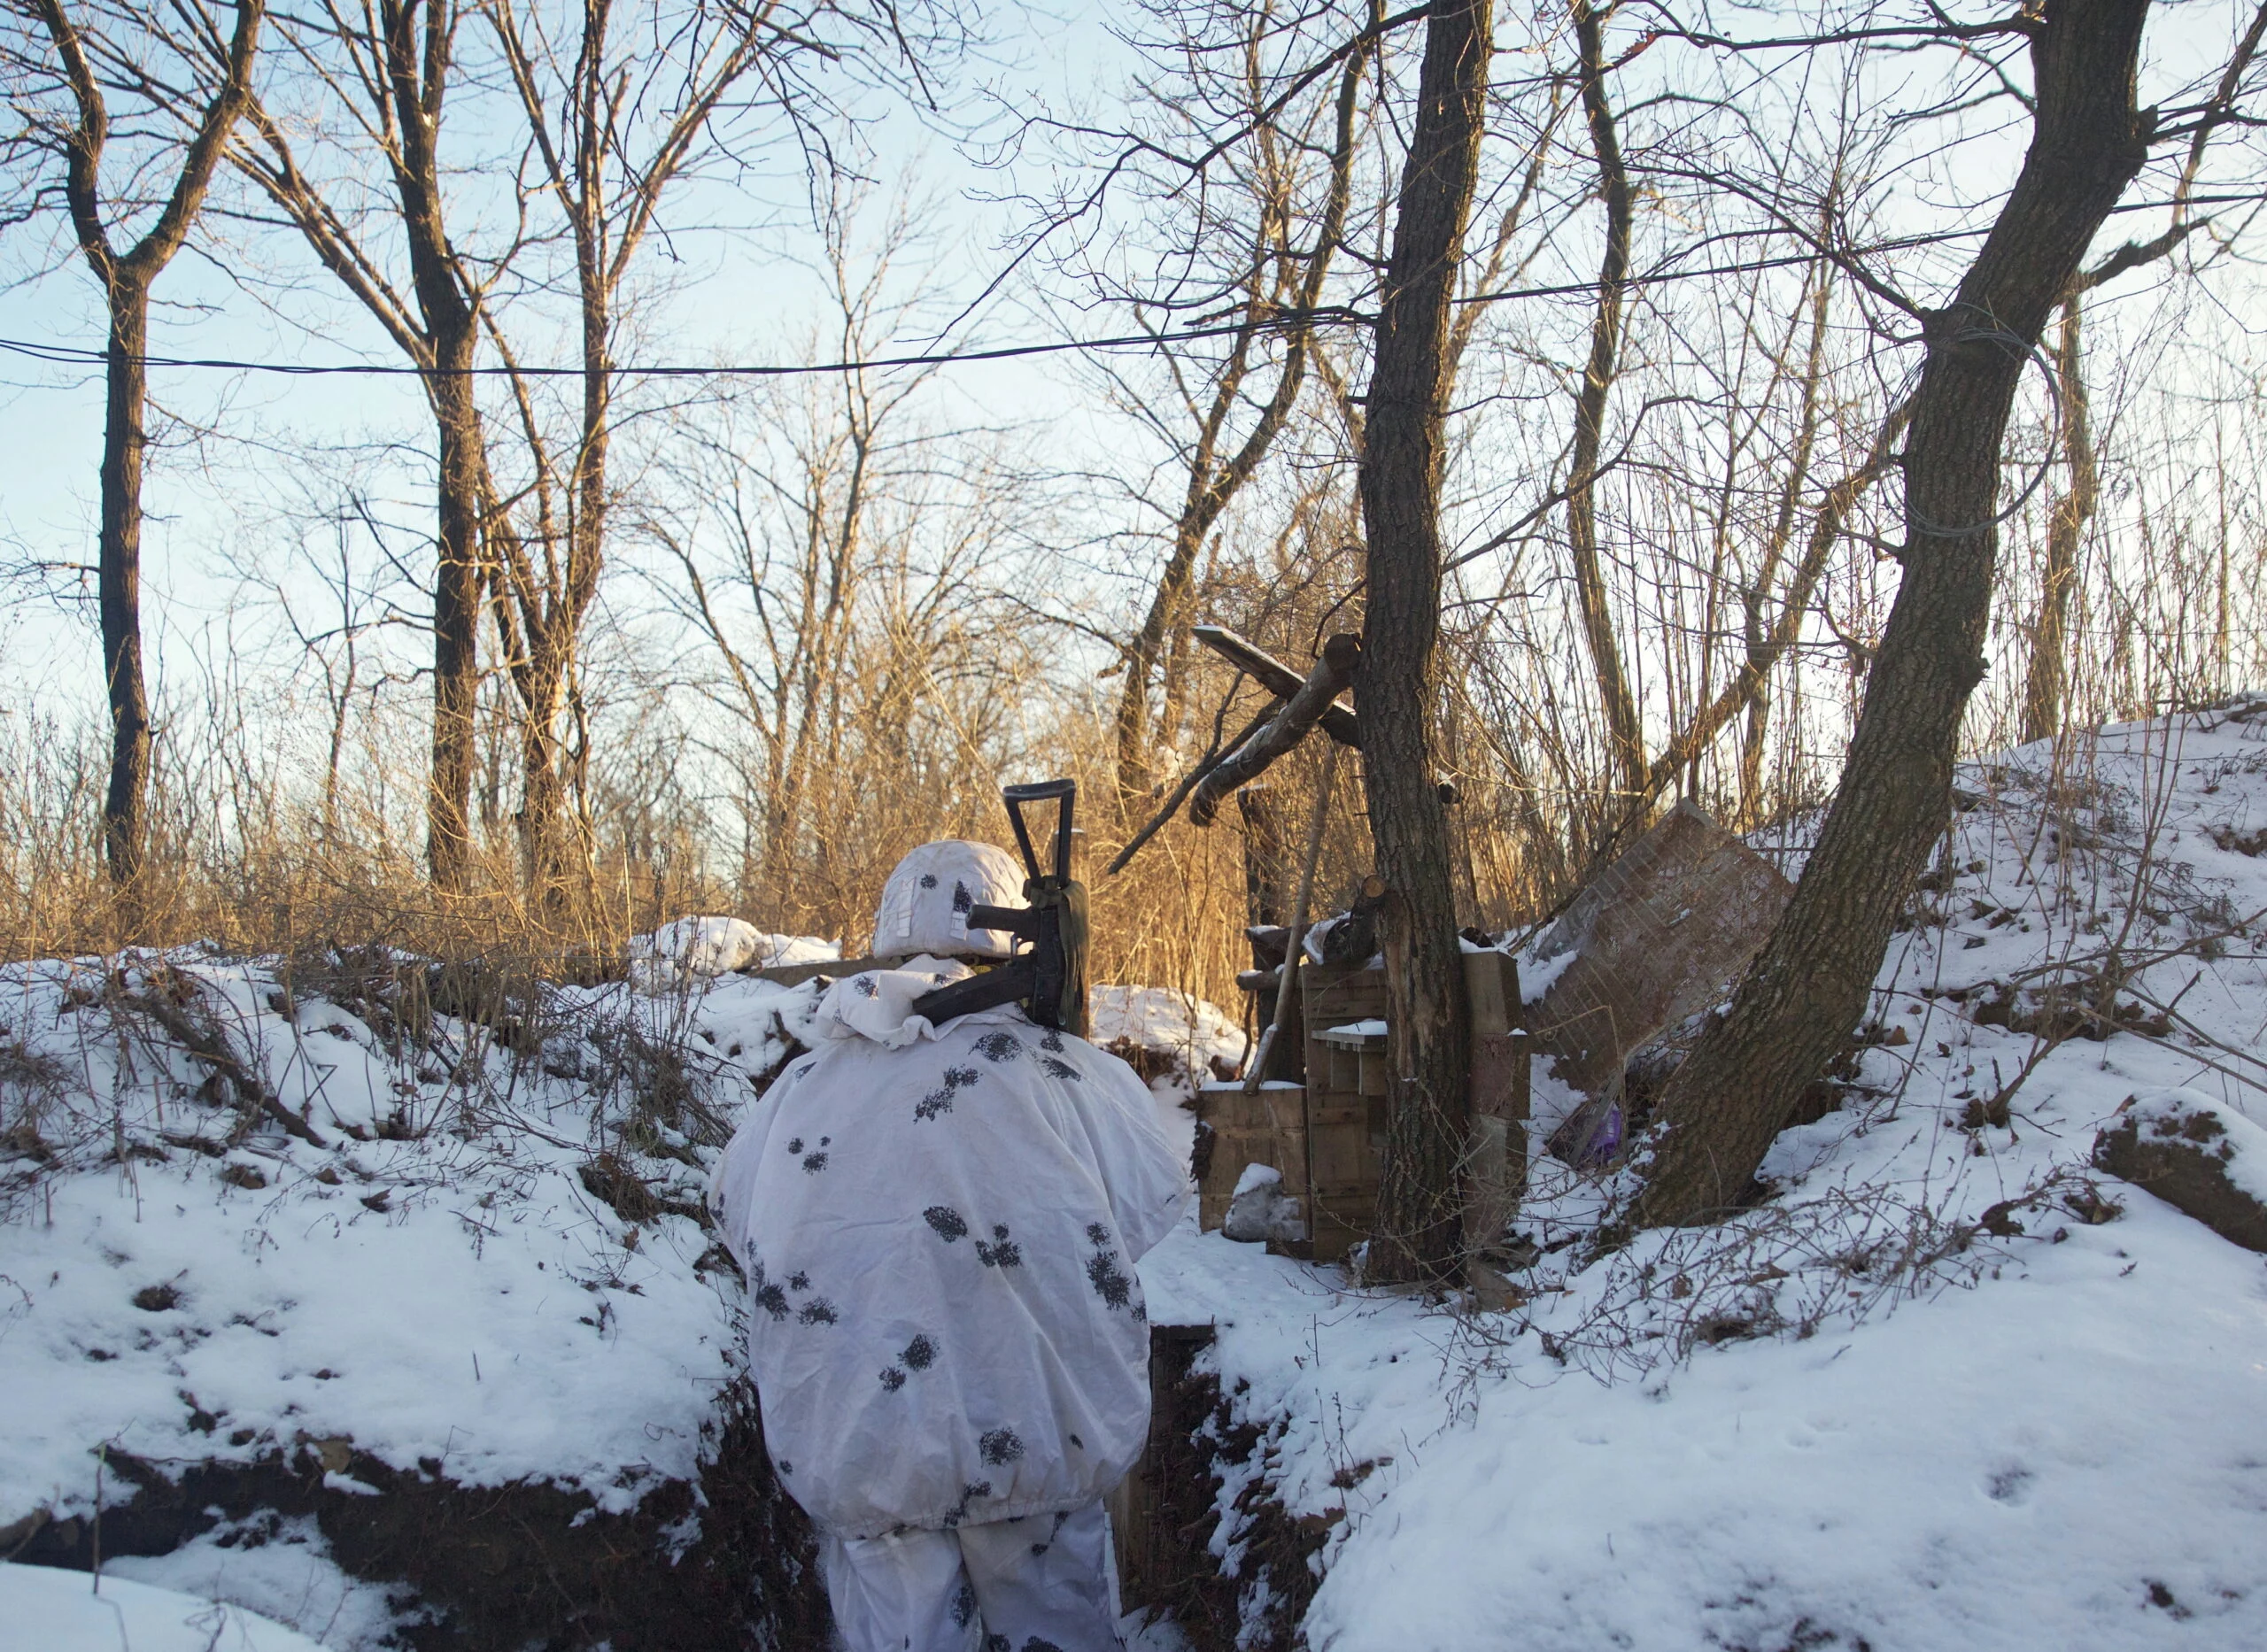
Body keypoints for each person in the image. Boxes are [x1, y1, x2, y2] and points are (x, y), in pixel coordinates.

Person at [709, 839, 1190, 1652]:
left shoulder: (797, 1090)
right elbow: (1144, 1213)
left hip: (866, 1456)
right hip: (1041, 1441)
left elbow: (739, 1223)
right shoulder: (1071, 1076)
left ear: (890, 937)